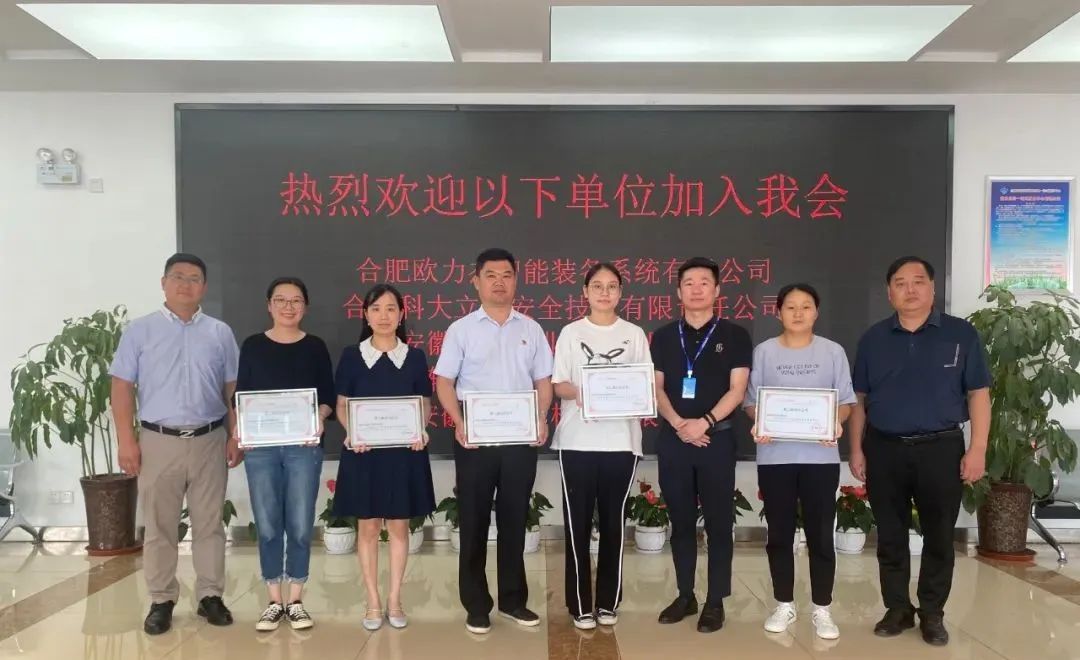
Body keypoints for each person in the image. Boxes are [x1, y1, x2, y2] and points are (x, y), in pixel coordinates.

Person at [848, 256, 990, 647]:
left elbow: (978, 393)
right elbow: (859, 399)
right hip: (884, 448)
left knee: (939, 535)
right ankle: (897, 608)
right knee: (889, 534)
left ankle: (932, 612)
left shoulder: (961, 334)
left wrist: (977, 448)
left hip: (941, 448)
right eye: (900, 283)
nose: (909, 290)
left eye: (918, 281)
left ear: (932, 288)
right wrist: (856, 449)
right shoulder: (873, 338)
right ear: (888, 292)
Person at [109, 253, 242, 635]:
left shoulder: (219, 332)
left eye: (194, 278)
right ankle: (161, 599)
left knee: (210, 524)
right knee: (159, 526)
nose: (186, 284)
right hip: (158, 441)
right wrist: (126, 441)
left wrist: (237, 434)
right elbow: (121, 386)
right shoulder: (140, 331)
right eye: (178, 276)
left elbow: (232, 388)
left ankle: (210, 595)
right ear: (164, 283)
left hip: (209, 439)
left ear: (204, 287)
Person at [434, 247, 554, 635]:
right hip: (475, 441)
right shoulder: (461, 330)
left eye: (506, 275)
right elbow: (444, 382)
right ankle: (476, 605)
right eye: (491, 275)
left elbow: (543, 381)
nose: (499, 282)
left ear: (516, 280)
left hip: (520, 441)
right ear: (476, 281)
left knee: (515, 518)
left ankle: (513, 601)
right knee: (473, 520)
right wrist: (459, 421)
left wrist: (540, 417)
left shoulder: (531, 329)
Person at [743, 283, 855, 640]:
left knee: (821, 534)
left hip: (820, 459)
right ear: (778, 312)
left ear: (816, 312)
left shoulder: (833, 352)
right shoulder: (764, 352)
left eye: (806, 306)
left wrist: (836, 422)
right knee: (778, 533)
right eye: (790, 306)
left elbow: (846, 402)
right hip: (775, 458)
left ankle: (822, 608)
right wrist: (760, 421)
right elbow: (751, 402)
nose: (798, 313)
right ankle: (784, 603)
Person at [649, 256, 752, 633]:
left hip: (717, 440)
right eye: (689, 283)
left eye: (704, 282)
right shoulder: (662, 336)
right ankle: (685, 594)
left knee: (719, 523)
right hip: (674, 440)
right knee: (680, 522)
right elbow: (656, 387)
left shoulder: (736, 335)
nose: (696, 289)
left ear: (717, 290)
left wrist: (704, 422)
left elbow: (737, 389)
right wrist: (680, 424)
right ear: (678, 292)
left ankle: (715, 601)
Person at [551, 262, 649, 630]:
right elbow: (559, 384)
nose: (604, 292)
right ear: (585, 292)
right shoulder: (571, 333)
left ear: (621, 292)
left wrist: (622, 395)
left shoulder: (634, 335)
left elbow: (643, 386)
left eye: (611, 286)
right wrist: (587, 393)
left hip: (621, 442)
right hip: (577, 441)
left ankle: (608, 603)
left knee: (613, 525)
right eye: (597, 286)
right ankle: (580, 605)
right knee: (576, 525)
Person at [332, 284, 436, 631]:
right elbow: (342, 404)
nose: (384, 316)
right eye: (376, 309)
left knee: (399, 527)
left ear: (401, 314)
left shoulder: (414, 357)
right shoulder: (352, 356)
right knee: (368, 527)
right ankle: (373, 601)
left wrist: (419, 429)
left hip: (404, 453)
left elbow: (424, 403)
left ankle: (394, 599)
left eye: (391, 309)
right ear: (365, 314)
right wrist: (353, 432)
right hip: (364, 453)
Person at [234, 277, 334, 632]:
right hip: (261, 448)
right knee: (267, 524)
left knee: (301, 525)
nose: (288, 307)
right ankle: (274, 600)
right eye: (281, 300)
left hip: (303, 448)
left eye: (295, 300)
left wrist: (319, 417)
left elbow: (328, 396)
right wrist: (241, 428)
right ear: (269, 305)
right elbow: (242, 394)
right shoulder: (253, 346)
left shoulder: (315, 347)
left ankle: (296, 600)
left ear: (305, 306)